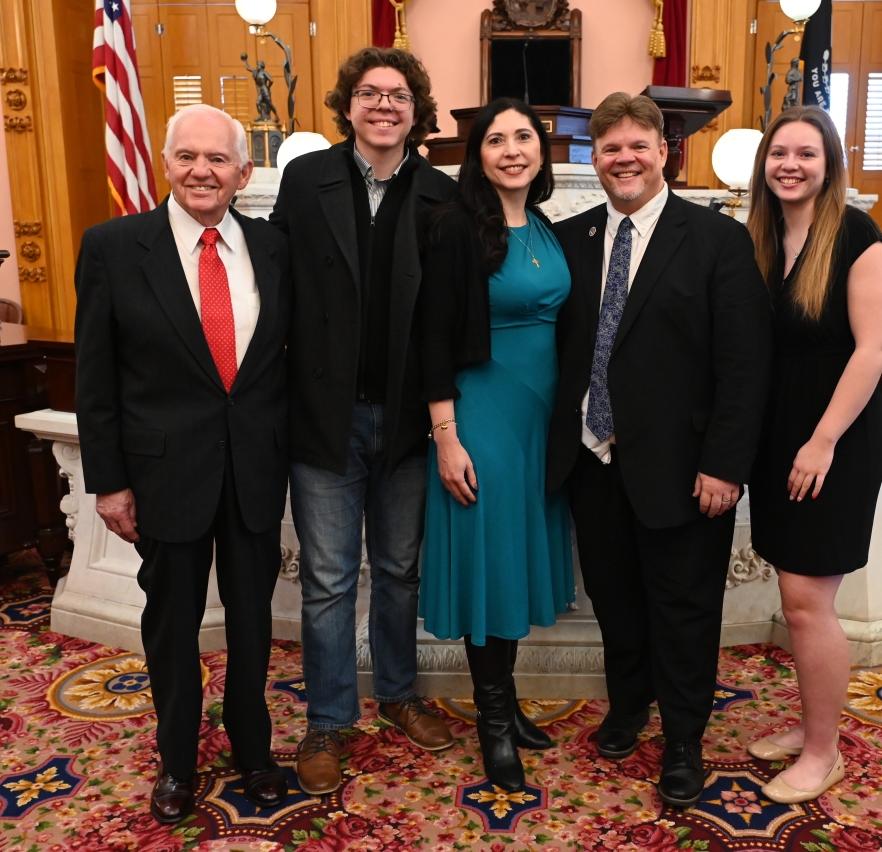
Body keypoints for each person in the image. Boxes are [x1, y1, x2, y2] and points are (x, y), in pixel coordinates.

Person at [546, 92, 772, 807]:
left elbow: (745, 365)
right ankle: (628, 706)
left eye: (638, 145)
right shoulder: (572, 239)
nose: (624, 159)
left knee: (683, 609)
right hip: (592, 461)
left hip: (686, 470)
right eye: (609, 147)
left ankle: (683, 740)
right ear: (594, 158)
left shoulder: (716, 241)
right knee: (615, 600)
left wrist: (726, 464)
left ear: (665, 150)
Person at [75, 104, 292, 822]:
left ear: (243, 172)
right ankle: (176, 761)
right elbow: (95, 377)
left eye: (218, 159)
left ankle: (254, 751)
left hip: (255, 473)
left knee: (254, 622)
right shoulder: (113, 246)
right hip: (163, 476)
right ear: (166, 163)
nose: (203, 171)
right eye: (188, 157)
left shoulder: (273, 247)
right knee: (170, 627)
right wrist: (107, 481)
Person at [268, 47, 458, 796]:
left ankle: (400, 695)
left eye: (401, 94)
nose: (386, 105)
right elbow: (278, 296)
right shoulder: (305, 181)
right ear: (346, 106)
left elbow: (448, 315)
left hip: (410, 422)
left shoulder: (442, 193)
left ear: (418, 110)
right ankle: (327, 718)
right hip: (323, 419)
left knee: (399, 571)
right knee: (326, 579)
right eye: (371, 94)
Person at [417, 99, 575, 793]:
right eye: (496, 140)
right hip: (480, 416)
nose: (512, 149)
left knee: (516, 562)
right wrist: (446, 436)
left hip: (540, 420)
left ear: (541, 150)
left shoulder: (542, 222)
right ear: (475, 153)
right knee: (491, 565)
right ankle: (493, 724)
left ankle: (506, 704)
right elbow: (430, 336)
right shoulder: (457, 227)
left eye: (524, 137)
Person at [744, 106, 882, 804]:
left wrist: (823, 439)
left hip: (833, 441)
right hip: (779, 440)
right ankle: (811, 730)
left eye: (806, 153)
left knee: (807, 605)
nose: (791, 165)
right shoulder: (765, 235)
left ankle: (824, 752)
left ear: (828, 163)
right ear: (763, 164)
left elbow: (873, 346)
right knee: (794, 594)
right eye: (779, 154)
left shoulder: (855, 233)